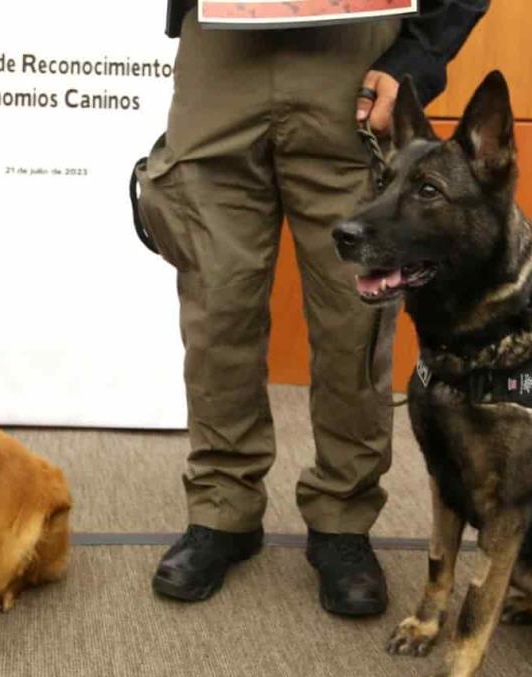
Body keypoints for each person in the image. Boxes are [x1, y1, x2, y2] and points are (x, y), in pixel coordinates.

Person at [140, 0, 488, 615]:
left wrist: (420, 55)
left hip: (353, 53)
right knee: (216, 302)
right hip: (221, 50)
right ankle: (224, 507)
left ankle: (342, 518)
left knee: (353, 309)